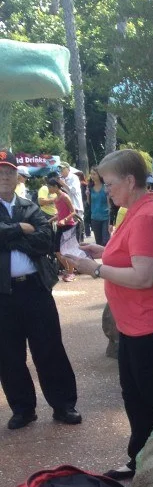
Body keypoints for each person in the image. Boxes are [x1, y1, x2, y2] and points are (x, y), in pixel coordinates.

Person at [70, 149, 153, 480]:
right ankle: (141, 459)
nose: (105, 190)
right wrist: (105, 252)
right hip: (137, 325)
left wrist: (96, 270)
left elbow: (145, 276)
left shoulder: (147, 215)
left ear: (130, 180)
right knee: (135, 397)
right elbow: (136, 257)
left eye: (109, 184)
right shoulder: (138, 209)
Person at [0, 149, 81, 429]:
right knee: (8, 354)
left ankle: (64, 405)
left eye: (9, 171)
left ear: (17, 175)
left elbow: (46, 240)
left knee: (49, 349)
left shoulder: (30, 206)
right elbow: (32, 234)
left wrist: (10, 234)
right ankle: (23, 409)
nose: (5, 176)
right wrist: (22, 230)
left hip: (35, 289)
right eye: (0, 171)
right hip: (3, 296)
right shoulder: (26, 216)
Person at [44, 176, 78, 282]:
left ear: (55, 186)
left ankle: (71, 272)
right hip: (60, 226)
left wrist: (65, 219)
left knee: (68, 250)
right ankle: (68, 270)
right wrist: (51, 220)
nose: (48, 189)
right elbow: (60, 213)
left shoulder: (64, 196)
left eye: (49, 187)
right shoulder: (56, 199)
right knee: (57, 251)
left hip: (69, 226)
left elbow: (73, 212)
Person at [88, 168, 110, 246]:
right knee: (98, 241)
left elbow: (109, 204)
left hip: (105, 218)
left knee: (105, 241)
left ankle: (106, 257)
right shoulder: (90, 188)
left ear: (99, 175)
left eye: (94, 174)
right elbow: (89, 203)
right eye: (91, 174)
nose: (92, 176)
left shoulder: (105, 187)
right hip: (94, 217)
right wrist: (87, 195)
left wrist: (111, 220)